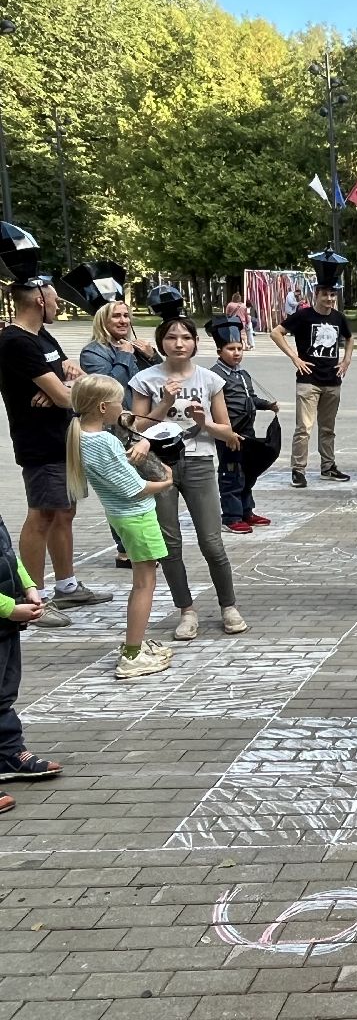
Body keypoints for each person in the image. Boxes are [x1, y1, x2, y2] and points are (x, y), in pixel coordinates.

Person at [0, 223, 112, 628]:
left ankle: (67, 587)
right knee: (42, 513)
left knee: (65, 511)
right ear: (38, 298)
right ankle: (36, 597)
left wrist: (63, 384)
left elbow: (71, 373)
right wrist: (63, 388)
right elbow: (70, 394)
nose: (59, 301)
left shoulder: (41, 335)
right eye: (52, 295)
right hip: (39, 441)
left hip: (63, 436)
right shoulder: (16, 341)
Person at [129, 315, 249, 641]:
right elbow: (135, 427)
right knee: (170, 544)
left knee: (212, 541)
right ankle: (187, 610)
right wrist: (164, 403)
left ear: (196, 342)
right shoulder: (145, 379)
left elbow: (227, 432)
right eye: (171, 338)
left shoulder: (210, 380)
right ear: (161, 342)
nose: (178, 343)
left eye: (185, 337)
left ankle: (229, 606)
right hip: (158, 465)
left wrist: (204, 421)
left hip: (198, 462)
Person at [66, 374, 175, 678]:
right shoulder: (104, 441)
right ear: (103, 407)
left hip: (121, 516)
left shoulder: (82, 435)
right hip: (136, 516)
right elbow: (135, 488)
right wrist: (166, 480)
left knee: (143, 582)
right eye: (117, 402)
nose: (121, 407)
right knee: (144, 585)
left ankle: (135, 645)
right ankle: (132, 653)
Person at [79, 297, 161, 568]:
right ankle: (124, 549)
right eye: (117, 316)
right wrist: (125, 355)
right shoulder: (92, 352)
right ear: (103, 319)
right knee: (121, 487)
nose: (124, 321)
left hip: (138, 423)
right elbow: (108, 386)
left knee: (140, 479)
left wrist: (151, 355)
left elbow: (158, 377)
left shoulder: (134, 347)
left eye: (127, 316)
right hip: (110, 428)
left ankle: (139, 541)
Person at [271, 246, 353, 488]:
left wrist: (346, 359)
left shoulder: (338, 318)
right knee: (304, 428)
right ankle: (298, 469)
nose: (329, 299)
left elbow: (350, 338)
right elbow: (277, 333)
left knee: (328, 428)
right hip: (308, 381)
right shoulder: (304, 316)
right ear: (316, 294)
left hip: (332, 381)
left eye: (333, 295)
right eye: (325, 294)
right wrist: (294, 357)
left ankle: (328, 466)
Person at [0, 509, 62, 814]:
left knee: (5, 693)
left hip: (6, 623)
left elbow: (9, 555)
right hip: (5, 613)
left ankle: (8, 754)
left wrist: (29, 587)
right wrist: (10, 608)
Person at [208, 316, 279, 535]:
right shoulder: (214, 375)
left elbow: (251, 399)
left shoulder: (243, 374)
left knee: (247, 473)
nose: (236, 353)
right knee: (231, 475)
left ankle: (246, 511)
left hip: (247, 434)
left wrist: (267, 405)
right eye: (231, 348)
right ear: (220, 350)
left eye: (240, 348)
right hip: (229, 434)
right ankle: (231, 516)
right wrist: (225, 432)